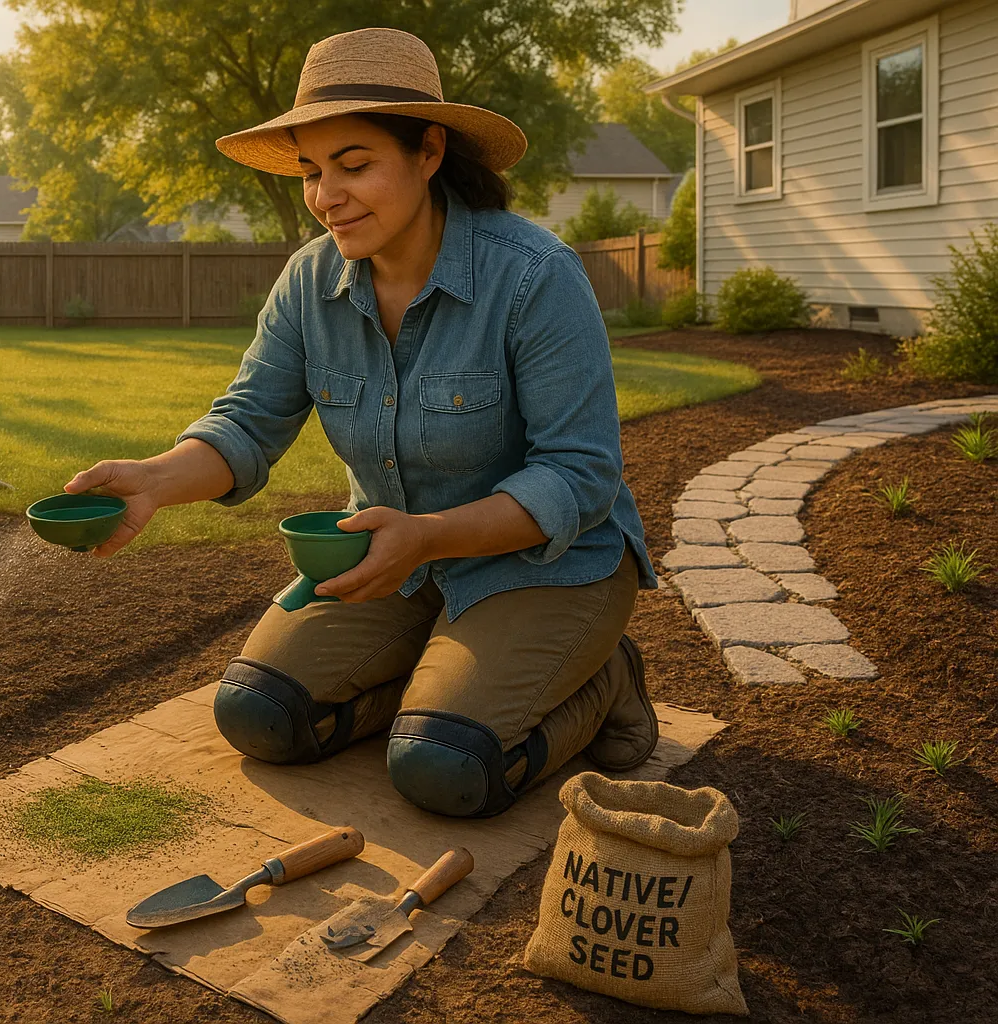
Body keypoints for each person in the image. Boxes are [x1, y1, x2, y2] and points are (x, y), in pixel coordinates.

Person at [62, 27, 659, 818]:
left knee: (442, 767)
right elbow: (248, 420)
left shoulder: (535, 276)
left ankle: (605, 675)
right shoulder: (311, 280)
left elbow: (580, 476)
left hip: (550, 562)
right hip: (393, 561)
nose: (325, 196)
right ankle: (436, 673)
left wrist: (432, 535)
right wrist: (155, 480)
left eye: (354, 164)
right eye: (312, 170)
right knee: (258, 713)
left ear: (430, 152)